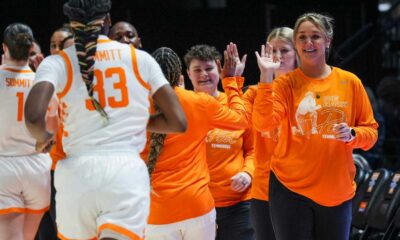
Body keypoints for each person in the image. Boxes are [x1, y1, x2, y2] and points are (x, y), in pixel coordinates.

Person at [24, 0, 187, 239]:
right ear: (107, 21)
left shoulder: (57, 62)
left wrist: (44, 137)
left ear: (72, 25)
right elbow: (178, 122)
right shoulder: (139, 59)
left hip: (76, 174)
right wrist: (135, 119)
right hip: (125, 173)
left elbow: (33, 116)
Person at [253, 12, 378, 240]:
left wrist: (352, 134)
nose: (308, 43)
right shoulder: (284, 84)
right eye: (301, 37)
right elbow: (263, 123)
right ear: (296, 43)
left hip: (335, 191)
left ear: (327, 40)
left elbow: (370, 133)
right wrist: (265, 76)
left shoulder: (350, 82)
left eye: (315, 36)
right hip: (289, 188)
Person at [141, 46, 249, 239]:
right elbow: (242, 119)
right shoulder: (199, 102)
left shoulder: (135, 105)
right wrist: (231, 81)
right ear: (181, 73)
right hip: (197, 205)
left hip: (155, 210)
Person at [185, 43, 255, 240]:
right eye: (197, 70)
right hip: (197, 205)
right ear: (188, 74)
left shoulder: (236, 104)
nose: (203, 74)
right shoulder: (183, 108)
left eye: (209, 68)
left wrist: (248, 174)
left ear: (220, 69)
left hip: (240, 205)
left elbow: (253, 149)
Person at [0, 23, 52, 240]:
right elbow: (54, 124)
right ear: (31, 48)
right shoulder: (43, 82)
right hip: (37, 167)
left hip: (5, 166)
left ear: (5, 48)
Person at [245, 26, 297, 240]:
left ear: (297, 53)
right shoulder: (255, 92)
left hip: (300, 185)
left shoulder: (311, 90)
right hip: (264, 186)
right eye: (273, 51)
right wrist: (232, 81)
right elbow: (234, 119)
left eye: (284, 50)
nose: (278, 56)